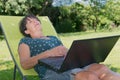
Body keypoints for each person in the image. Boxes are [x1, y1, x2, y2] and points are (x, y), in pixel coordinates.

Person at [18, 14, 120, 80]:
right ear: (26, 31)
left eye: (36, 20)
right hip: (52, 71)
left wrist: (78, 53)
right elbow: (24, 64)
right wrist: (49, 53)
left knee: (102, 68)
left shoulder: (53, 38)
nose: (35, 21)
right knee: (89, 76)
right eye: (30, 21)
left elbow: (65, 52)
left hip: (70, 64)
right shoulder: (25, 42)